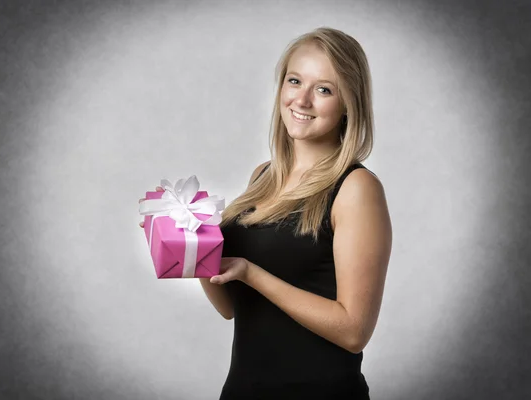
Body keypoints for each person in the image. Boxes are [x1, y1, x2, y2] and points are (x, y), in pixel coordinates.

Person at [140, 27, 391, 400]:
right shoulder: (263, 176)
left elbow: (354, 332)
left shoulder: (356, 188)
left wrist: (252, 273)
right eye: (294, 81)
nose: (301, 100)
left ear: (348, 105)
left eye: (324, 89)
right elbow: (231, 308)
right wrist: (194, 251)